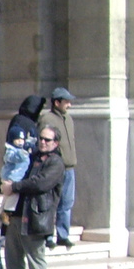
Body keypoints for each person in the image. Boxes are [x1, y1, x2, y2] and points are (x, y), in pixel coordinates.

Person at [0, 125, 64, 269]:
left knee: (36, 260)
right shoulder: (29, 156)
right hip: (16, 214)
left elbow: (40, 183)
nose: (42, 142)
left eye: (47, 140)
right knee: (13, 258)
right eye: (41, 138)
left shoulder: (56, 163)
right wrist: (5, 184)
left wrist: (15, 186)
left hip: (36, 216)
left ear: (55, 143)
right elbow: (14, 172)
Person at [37, 86, 77, 248]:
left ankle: (63, 235)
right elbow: (42, 144)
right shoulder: (47, 119)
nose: (69, 105)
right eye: (66, 102)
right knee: (50, 203)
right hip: (54, 168)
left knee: (66, 203)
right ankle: (48, 236)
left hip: (69, 168)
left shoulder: (68, 119)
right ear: (56, 102)